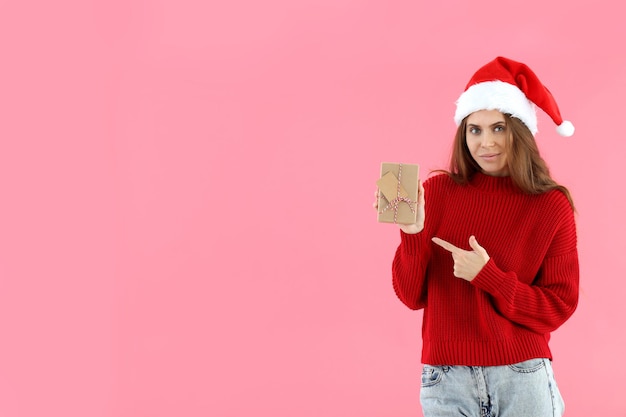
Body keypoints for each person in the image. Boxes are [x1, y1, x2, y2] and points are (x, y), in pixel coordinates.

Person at [373, 57, 579, 416]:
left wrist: (490, 278)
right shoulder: (436, 193)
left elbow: (558, 306)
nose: (486, 142)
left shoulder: (550, 205)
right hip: (446, 379)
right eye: (475, 129)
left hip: (522, 374)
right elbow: (410, 295)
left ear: (520, 131)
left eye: (498, 128)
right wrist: (412, 232)